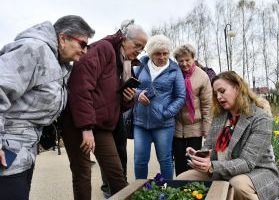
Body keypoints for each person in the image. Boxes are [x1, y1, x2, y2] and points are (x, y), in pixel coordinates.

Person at [0, 15, 94, 200]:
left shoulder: (61, 64)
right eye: (82, 44)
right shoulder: (33, 50)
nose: (85, 51)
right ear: (63, 38)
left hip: (25, 147)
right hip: (8, 144)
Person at [61, 19, 148, 199]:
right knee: (82, 173)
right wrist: (86, 127)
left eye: (142, 48)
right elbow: (81, 85)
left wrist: (127, 99)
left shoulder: (126, 63)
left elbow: (114, 100)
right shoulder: (103, 49)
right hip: (78, 122)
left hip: (102, 125)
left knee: (116, 173)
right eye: (137, 45)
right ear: (124, 38)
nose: (139, 51)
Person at [176, 71, 279, 200]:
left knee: (237, 185)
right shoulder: (220, 117)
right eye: (216, 94)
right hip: (221, 170)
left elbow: (247, 163)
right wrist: (199, 155)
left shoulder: (260, 118)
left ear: (237, 88)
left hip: (257, 171)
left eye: (222, 91)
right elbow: (209, 146)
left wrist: (212, 167)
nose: (219, 97)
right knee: (181, 180)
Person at [133, 34, 186, 180]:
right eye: (157, 53)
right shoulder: (139, 66)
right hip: (141, 123)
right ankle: (140, 191)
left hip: (164, 124)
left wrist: (165, 113)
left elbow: (181, 97)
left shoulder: (175, 71)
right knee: (139, 160)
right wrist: (138, 95)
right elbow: (130, 88)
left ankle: (166, 190)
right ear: (150, 53)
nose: (162, 57)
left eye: (165, 53)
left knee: (165, 160)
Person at [173, 44, 212, 176]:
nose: (184, 64)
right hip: (177, 128)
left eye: (187, 60)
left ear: (193, 58)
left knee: (193, 162)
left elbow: (207, 106)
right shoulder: (174, 74)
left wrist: (207, 129)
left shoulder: (202, 76)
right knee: (179, 162)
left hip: (195, 127)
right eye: (180, 61)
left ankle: (193, 190)